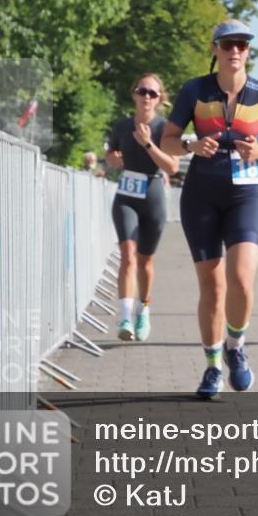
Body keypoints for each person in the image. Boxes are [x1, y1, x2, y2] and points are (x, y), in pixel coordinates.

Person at [160, 19, 258, 398]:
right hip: (201, 193)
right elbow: (167, 140)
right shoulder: (195, 90)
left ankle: (236, 347)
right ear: (215, 49)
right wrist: (190, 146)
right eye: (228, 44)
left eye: (243, 45)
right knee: (212, 288)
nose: (236, 51)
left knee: (241, 279)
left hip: (246, 193)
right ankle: (212, 367)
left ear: (248, 52)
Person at [104, 74, 178, 342]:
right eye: (142, 91)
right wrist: (111, 158)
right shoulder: (122, 126)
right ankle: (124, 315)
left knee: (146, 261)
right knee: (128, 254)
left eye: (153, 93)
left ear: (160, 99)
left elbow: (172, 167)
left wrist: (147, 143)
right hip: (126, 195)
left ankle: (143, 309)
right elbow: (111, 155)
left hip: (153, 194)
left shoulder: (164, 128)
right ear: (134, 94)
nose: (147, 96)